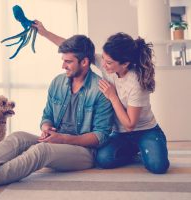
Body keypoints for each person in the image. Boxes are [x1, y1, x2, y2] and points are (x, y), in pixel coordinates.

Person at [0, 35, 114, 191]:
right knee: (18, 137)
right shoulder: (58, 82)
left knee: (41, 150)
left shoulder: (100, 90)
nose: (62, 66)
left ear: (84, 62)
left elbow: (101, 136)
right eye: (63, 60)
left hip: (83, 152)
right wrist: (47, 127)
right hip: (56, 139)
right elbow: (47, 115)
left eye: (68, 61)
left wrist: (63, 139)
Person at [33, 21, 170, 174]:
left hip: (144, 130)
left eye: (109, 62)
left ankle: (150, 145)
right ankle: (133, 151)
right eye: (103, 58)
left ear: (125, 63)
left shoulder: (136, 83)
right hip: (119, 133)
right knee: (103, 159)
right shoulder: (108, 64)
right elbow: (76, 51)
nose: (103, 64)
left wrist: (113, 97)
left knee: (158, 166)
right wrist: (44, 32)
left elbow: (130, 124)